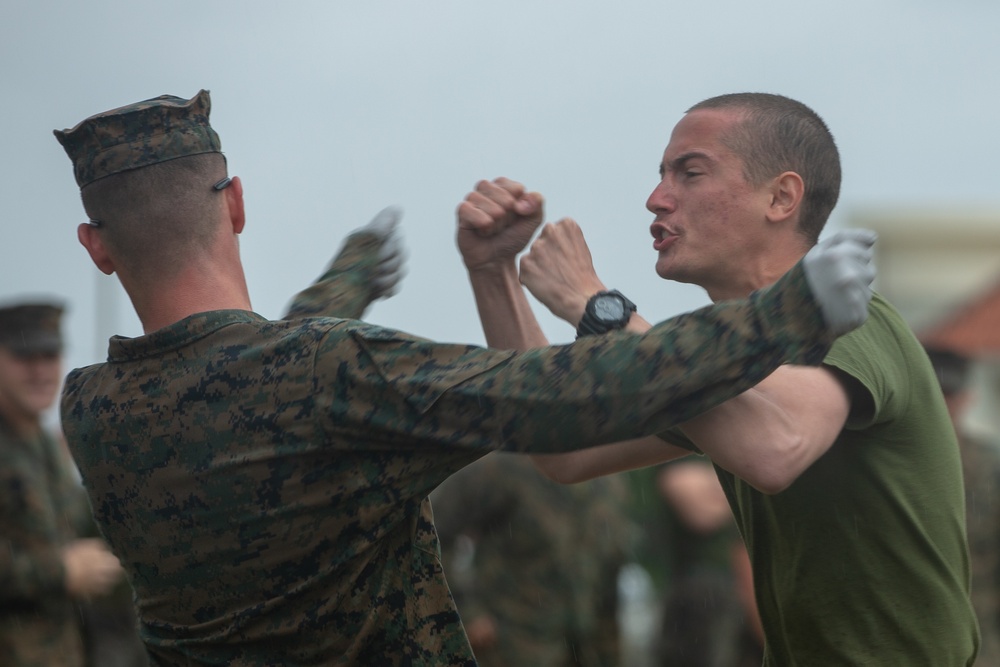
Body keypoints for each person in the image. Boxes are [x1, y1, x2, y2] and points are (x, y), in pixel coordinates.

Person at [53, 89, 875, 665]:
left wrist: (353, 283)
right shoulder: (326, 371)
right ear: (235, 205)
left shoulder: (93, 406)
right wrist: (785, 316)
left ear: (96, 246)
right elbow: (560, 401)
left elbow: (238, 372)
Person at [460, 93, 978, 665]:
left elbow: (775, 448)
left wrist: (598, 308)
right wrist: (492, 273)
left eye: (691, 173)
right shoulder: (718, 369)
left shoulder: (847, 319)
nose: (657, 200)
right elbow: (560, 449)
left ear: (781, 197)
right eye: (661, 176)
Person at [0, 300, 126, 666]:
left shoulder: (46, 446)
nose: (40, 371)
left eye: (49, 356)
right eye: (25, 358)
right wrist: (61, 571)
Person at [431, 452, 633, 666]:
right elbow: (434, 534)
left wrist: (610, 652)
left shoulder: (609, 481)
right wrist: (466, 613)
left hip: (584, 651)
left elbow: (609, 573)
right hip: (511, 646)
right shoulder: (505, 467)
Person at [925, 344, 1000, 666]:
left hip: (981, 648)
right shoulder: (883, 468)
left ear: (966, 397)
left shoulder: (991, 468)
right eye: (935, 392)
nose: (944, 404)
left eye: (950, 393)